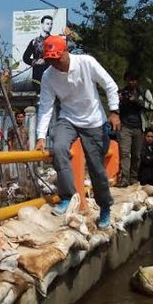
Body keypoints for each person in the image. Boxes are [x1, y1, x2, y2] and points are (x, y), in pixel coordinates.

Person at [34, 35, 120, 229]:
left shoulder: (86, 62)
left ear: (66, 51)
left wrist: (114, 112)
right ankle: (67, 197)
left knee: (96, 167)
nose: (55, 63)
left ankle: (105, 207)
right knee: (58, 147)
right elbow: (46, 106)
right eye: (51, 60)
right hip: (68, 118)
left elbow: (110, 85)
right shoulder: (48, 76)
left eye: (57, 58)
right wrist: (40, 136)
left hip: (93, 121)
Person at [117, 71, 153, 187]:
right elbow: (114, 107)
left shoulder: (144, 92)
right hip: (125, 126)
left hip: (139, 127)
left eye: (133, 79)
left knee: (136, 154)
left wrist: (137, 100)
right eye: (129, 79)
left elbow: (152, 106)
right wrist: (120, 99)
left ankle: (133, 178)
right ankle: (124, 178)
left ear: (137, 81)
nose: (131, 82)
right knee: (124, 153)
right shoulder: (122, 92)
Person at [22, 15, 54, 92]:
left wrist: (45, 61)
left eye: (51, 24)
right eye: (47, 24)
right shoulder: (34, 42)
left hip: (52, 76)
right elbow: (25, 57)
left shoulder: (54, 41)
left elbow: (59, 57)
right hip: (38, 77)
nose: (49, 26)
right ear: (42, 24)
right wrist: (35, 61)